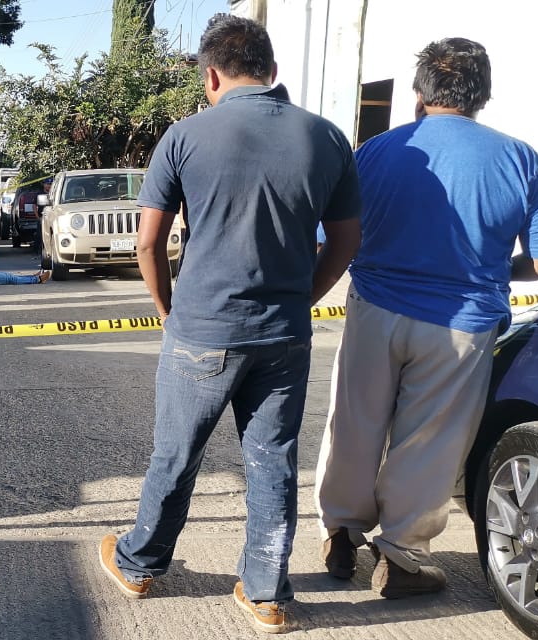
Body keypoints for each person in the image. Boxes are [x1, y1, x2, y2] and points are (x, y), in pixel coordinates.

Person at [97, 14, 361, 634]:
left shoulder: (184, 136)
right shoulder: (326, 139)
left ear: (211, 74)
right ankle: (267, 593)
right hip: (285, 336)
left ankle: (140, 563)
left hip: (202, 330)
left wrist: (168, 309)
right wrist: (303, 296)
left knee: (177, 454)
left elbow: (147, 243)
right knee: (272, 462)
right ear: (272, 71)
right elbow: (346, 242)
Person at [315, 38, 538, 599]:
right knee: (429, 439)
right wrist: (499, 270)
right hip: (461, 322)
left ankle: (341, 533)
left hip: (375, 309)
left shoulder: (377, 152)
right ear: (482, 95)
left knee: (356, 422)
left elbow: (329, 236)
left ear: (418, 93)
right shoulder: (520, 159)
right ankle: (403, 555)